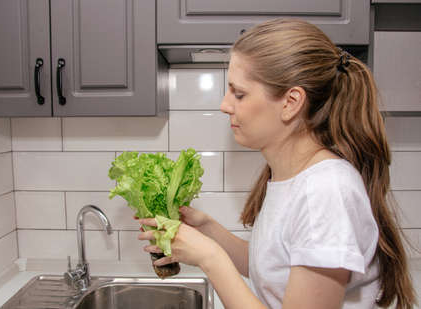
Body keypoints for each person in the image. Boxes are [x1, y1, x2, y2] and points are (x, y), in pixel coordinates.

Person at [138, 18, 416, 309]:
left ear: (291, 102)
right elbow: (272, 268)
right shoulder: (289, 176)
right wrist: (206, 228)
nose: (224, 105)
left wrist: (210, 258)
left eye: (239, 93)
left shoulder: (325, 192)